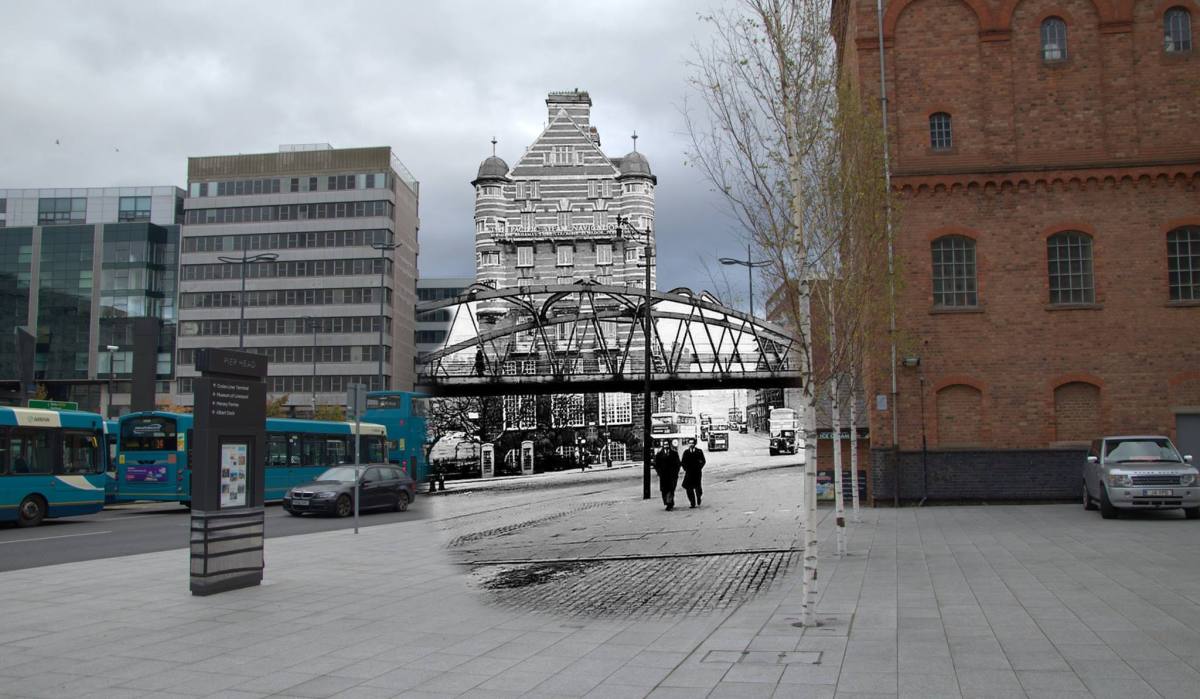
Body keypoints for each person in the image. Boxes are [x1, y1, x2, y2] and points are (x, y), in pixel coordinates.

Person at [653, 443, 681, 511]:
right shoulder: (659, 454)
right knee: (664, 490)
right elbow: (656, 465)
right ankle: (668, 502)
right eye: (665, 445)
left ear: (669, 445)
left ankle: (669, 503)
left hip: (672, 475)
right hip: (663, 476)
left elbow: (678, 464)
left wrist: (675, 472)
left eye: (667, 445)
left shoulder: (674, 453)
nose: (666, 446)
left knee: (671, 490)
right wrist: (659, 473)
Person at [681, 441, 706, 508]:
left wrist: (699, 467)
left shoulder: (699, 451)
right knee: (688, 488)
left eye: (692, 443)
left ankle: (698, 497)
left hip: (697, 473)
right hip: (689, 473)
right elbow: (683, 462)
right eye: (690, 443)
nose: (691, 444)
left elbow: (703, 461)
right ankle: (692, 503)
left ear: (695, 444)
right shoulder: (686, 452)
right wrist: (685, 468)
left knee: (698, 487)